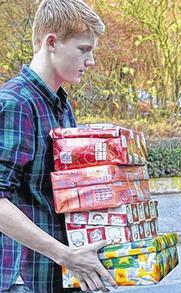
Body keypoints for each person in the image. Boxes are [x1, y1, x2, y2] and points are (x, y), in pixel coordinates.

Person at [0, 1, 117, 292]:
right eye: (83, 49)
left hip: (62, 274)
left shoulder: (61, 104)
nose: (91, 61)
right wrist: (65, 255)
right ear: (51, 42)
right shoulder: (16, 103)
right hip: (25, 279)